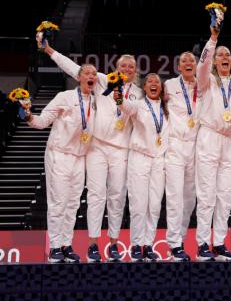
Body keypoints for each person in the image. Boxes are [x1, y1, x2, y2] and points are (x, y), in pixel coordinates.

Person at [39, 40, 143, 262]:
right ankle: (93, 244)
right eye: (123, 66)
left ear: (135, 71)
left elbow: (133, 111)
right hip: (96, 147)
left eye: (131, 67)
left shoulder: (139, 94)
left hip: (121, 150)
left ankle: (114, 243)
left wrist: (121, 100)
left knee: (117, 196)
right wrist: (49, 51)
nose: (126, 69)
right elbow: (73, 68)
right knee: (96, 196)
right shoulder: (102, 80)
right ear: (116, 68)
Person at [24, 64, 98, 263]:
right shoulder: (64, 97)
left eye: (94, 73)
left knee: (73, 205)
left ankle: (66, 245)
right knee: (58, 203)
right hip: (59, 155)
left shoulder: (96, 102)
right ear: (79, 77)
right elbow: (41, 122)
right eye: (87, 73)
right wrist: (28, 115)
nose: (92, 76)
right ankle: (55, 246)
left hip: (80, 157)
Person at [194, 25, 231, 261]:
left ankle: (219, 242)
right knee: (206, 195)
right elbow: (203, 63)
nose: (224, 57)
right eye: (220, 55)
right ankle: (203, 243)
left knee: (225, 196)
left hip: (230, 140)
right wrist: (213, 38)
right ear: (214, 61)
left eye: (228, 55)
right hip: (209, 137)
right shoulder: (206, 80)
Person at [114, 73, 169, 262]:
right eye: (150, 82)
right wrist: (119, 97)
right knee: (138, 205)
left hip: (159, 160)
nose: (154, 84)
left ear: (161, 88)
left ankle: (148, 244)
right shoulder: (138, 105)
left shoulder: (166, 108)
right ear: (144, 88)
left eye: (157, 82)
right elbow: (125, 106)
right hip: (140, 158)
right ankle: (136, 245)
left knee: (154, 206)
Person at [163, 52, 199, 261]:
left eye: (191, 61)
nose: (188, 63)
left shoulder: (203, 85)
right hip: (175, 146)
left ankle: (181, 239)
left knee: (190, 199)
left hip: (195, 147)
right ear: (178, 66)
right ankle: (174, 243)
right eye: (184, 61)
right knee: (175, 197)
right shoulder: (168, 85)